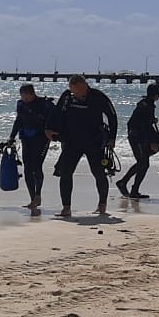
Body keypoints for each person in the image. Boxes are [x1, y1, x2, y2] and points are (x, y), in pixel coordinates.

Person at [47, 74, 118, 217]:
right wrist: (48, 128)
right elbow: (56, 112)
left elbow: (112, 116)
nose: (75, 94)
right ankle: (66, 208)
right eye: (73, 90)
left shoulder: (97, 96)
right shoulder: (67, 96)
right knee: (65, 173)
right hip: (72, 141)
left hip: (94, 141)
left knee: (98, 173)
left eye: (77, 90)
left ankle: (102, 205)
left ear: (84, 85)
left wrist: (112, 138)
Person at [6, 83, 57, 214]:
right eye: (22, 97)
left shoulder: (45, 104)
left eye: (26, 97)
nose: (24, 99)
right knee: (27, 168)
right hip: (26, 139)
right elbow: (18, 121)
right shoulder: (20, 105)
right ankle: (33, 198)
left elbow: (57, 119)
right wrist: (11, 137)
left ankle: (38, 194)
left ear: (32, 94)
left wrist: (57, 135)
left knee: (36, 166)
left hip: (41, 139)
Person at [117, 83, 159, 199]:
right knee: (143, 163)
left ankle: (134, 190)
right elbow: (144, 125)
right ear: (157, 95)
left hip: (138, 137)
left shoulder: (146, 104)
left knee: (144, 164)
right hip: (137, 138)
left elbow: (142, 123)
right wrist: (153, 140)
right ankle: (123, 183)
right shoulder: (146, 106)